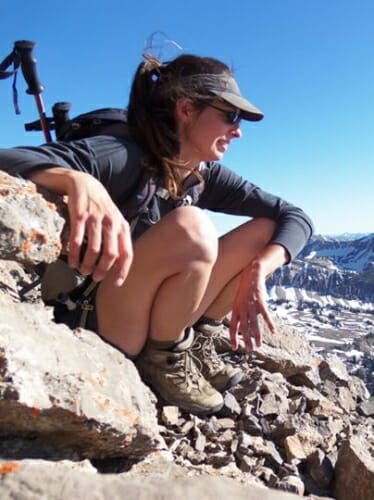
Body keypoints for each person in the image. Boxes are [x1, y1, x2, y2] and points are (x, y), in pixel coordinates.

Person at [0, 53, 314, 415]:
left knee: (264, 232)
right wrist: (75, 178)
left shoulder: (200, 173)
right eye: (229, 115)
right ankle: (164, 360)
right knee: (192, 228)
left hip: (135, 301)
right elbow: (9, 158)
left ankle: (194, 344)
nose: (238, 129)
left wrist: (261, 267)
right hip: (97, 319)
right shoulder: (122, 154)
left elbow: (294, 216)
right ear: (186, 110)